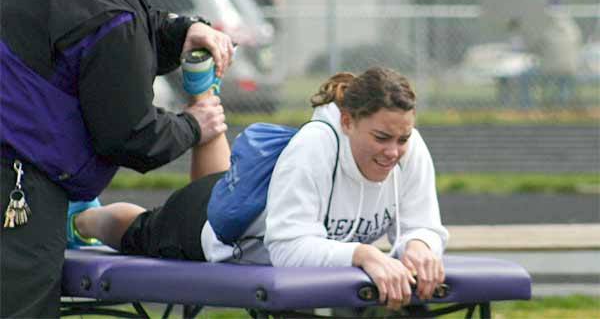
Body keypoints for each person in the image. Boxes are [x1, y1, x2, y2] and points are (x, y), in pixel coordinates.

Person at [0, 0, 236, 318]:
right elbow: (130, 134)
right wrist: (194, 124)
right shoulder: (108, 4)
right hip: (18, 189)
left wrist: (182, 30)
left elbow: (112, 35)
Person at [70, 67, 449, 311]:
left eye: (401, 139)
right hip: (211, 226)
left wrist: (420, 246)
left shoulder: (408, 148)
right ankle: (83, 216)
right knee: (139, 230)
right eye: (382, 137)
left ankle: (204, 93)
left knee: (219, 183)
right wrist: (364, 254)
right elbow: (287, 250)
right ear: (347, 121)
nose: (393, 152)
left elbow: (424, 225)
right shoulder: (316, 145)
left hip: (249, 204)